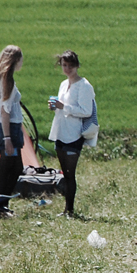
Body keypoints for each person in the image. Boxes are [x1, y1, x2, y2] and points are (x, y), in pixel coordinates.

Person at [48, 50, 98, 217]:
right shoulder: (64, 84)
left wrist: (64, 107)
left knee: (70, 174)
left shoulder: (84, 86)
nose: (67, 69)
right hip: (61, 131)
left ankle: (70, 209)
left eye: (70, 66)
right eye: (64, 65)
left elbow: (86, 111)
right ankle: (66, 209)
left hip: (74, 134)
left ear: (77, 66)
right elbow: (61, 105)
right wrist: (55, 106)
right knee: (64, 172)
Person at [0, 45, 25, 216]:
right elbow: (5, 111)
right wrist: (8, 138)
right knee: (11, 167)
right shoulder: (7, 80)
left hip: (6, 128)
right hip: (8, 129)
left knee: (13, 167)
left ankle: (1, 205)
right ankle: (0, 206)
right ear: (16, 60)